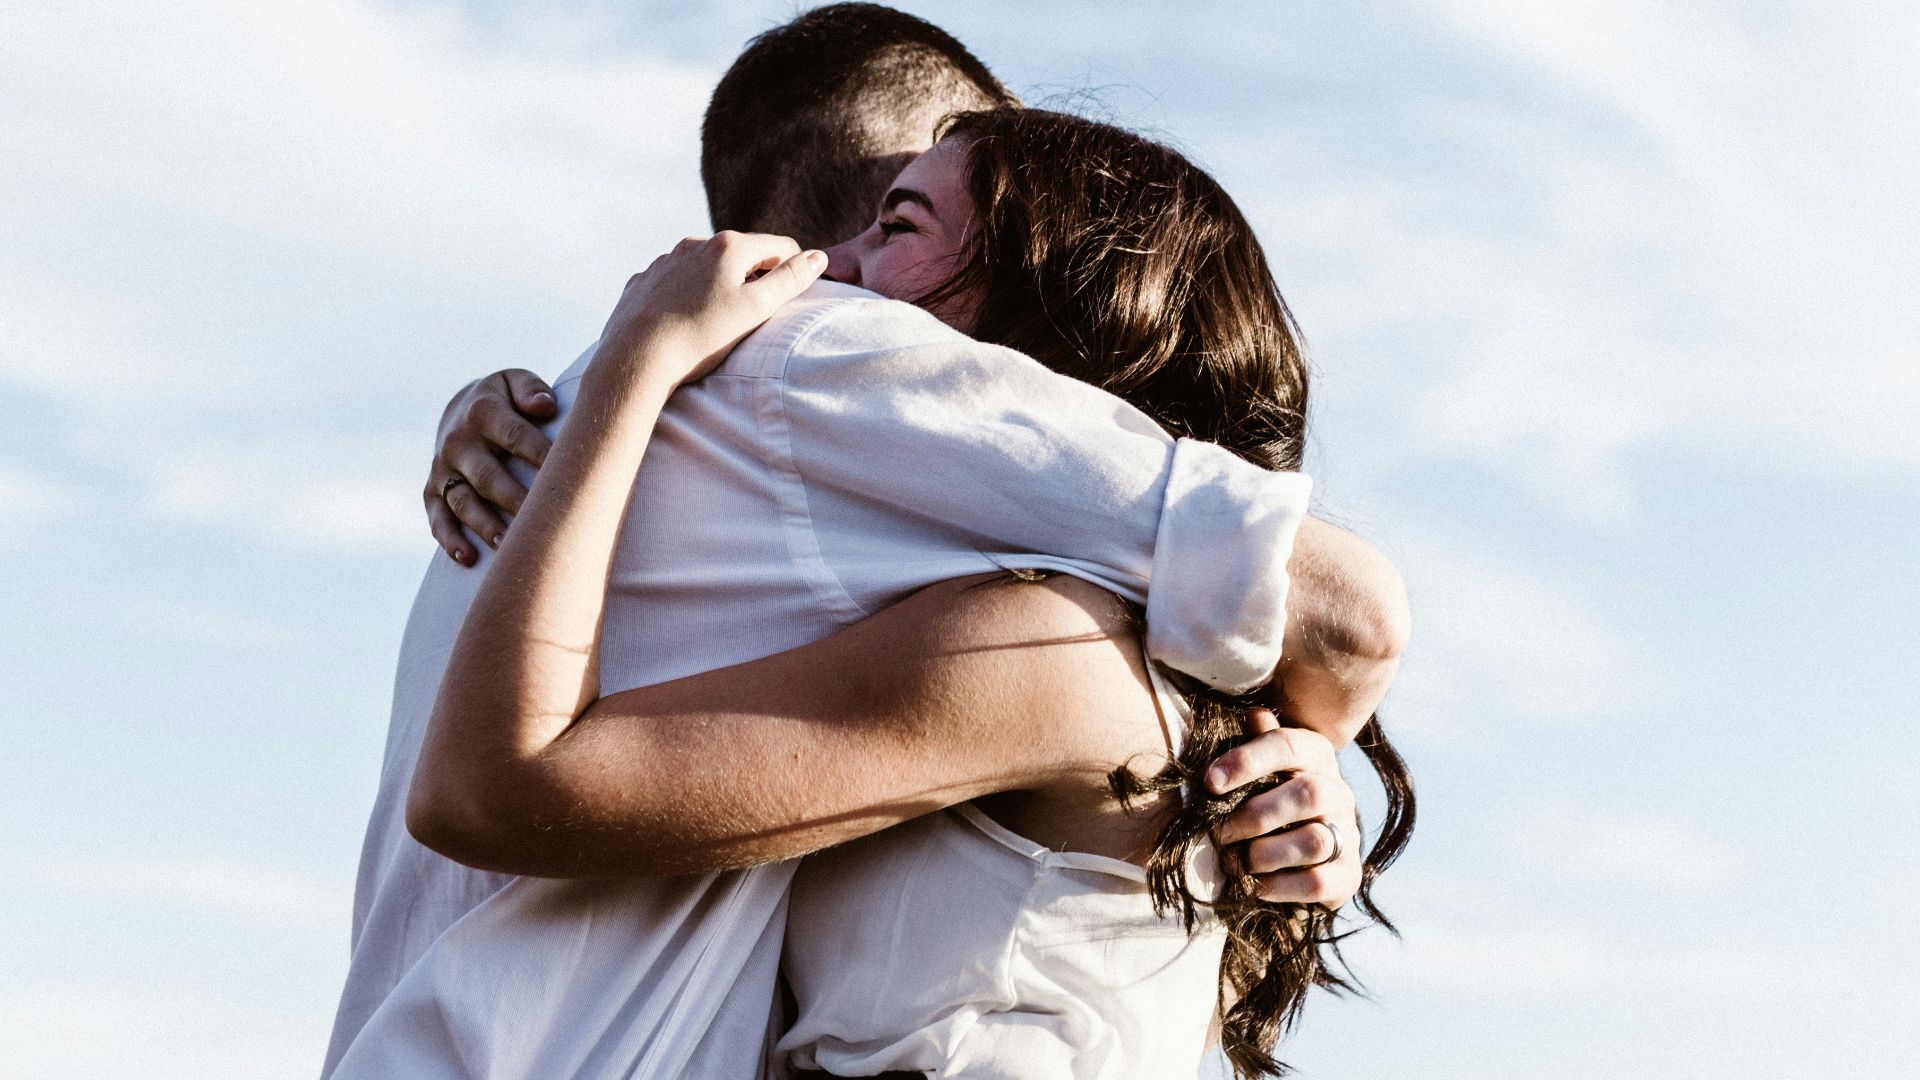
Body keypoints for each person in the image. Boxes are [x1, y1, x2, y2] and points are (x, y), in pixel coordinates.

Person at [325, 7, 1407, 1079]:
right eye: (890, 211)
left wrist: (1292, 753)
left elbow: (1340, 619)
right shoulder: (819, 377)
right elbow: (1343, 620)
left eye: (898, 229)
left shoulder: (1044, 643)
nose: (825, 269)